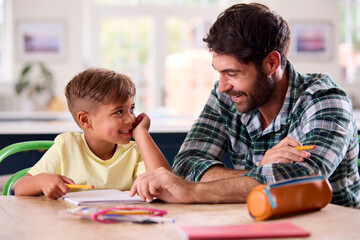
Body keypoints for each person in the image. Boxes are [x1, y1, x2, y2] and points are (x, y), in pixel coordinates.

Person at [130, 3, 360, 207]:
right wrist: (259, 171)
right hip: (258, 225)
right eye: (219, 72)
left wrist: (193, 191)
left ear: (272, 63)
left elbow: (305, 179)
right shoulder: (228, 96)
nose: (222, 86)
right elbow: (187, 165)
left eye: (232, 73)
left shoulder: (325, 100)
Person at [15, 67, 171, 199]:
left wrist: (142, 134)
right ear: (85, 120)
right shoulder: (66, 146)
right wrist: (42, 180)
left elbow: (166, 185)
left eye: (131, 109)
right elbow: (20, 188)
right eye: (118, 112)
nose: (131, 119)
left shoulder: (134, 151)